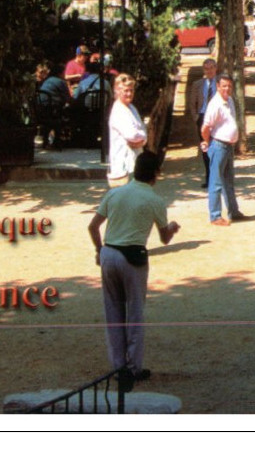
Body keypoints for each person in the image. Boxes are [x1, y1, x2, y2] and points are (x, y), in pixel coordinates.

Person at [87, 151, 181, 388]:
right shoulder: (155, 201)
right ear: (155, 174)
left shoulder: (115, 193)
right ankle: (133, 367)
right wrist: (171, 227)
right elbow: (164, 239)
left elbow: (93, 226)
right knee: (135, 313)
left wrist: (99, 250)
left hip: (109, 253)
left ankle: (118, 365)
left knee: (113, 312)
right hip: (133, 258)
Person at [200, 73, 247, 225]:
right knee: (216, 182)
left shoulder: (230, 100)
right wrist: (207, 141)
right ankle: (215, 216)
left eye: (229, 86)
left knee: (229, 181)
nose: (227, 89)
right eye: (224, 86)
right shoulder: (215, 104)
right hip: (218, 145)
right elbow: (205, 127)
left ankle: (234, 211)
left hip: (228, 146)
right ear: (218, 87)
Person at [107, 74, 147, 188]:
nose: (129, 93)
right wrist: (141, 137)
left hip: (135, 159)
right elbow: (132, 134)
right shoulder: (119, 110)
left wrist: (142, 139)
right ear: (117, 91)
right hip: (124, 163)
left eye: (131, 90)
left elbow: (143, 130)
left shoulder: (131, 108)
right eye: (125, 90)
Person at [188, 58, 217, 188]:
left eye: (211, 68)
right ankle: (209, 177)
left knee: (218, 147)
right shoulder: (197, 84)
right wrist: (196, 117)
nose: (209, 71)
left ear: (215, 69)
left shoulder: (221, 83)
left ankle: (219, 177)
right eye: (206, 68)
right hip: (203, 116)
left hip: (217, 118)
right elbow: (192, 103)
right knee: (205, 148)